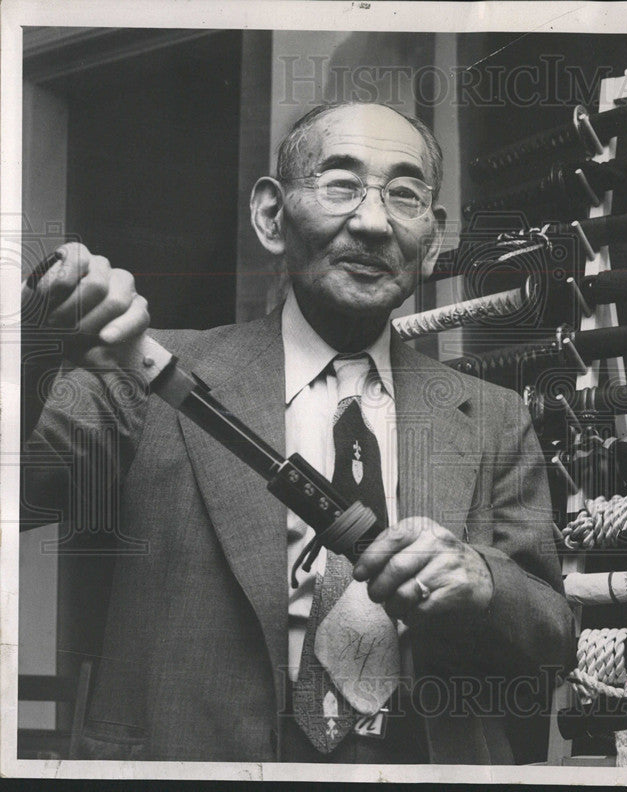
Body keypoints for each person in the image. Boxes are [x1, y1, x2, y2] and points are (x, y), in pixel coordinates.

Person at [22, 101, 576, 764]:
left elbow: (553, 636)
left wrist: (484, 583)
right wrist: (26, 344)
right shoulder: (143, 381)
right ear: (271, 216)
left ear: (431, 236)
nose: (372, 222)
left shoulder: (493, 417)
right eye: (340, 184)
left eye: (404, 195)